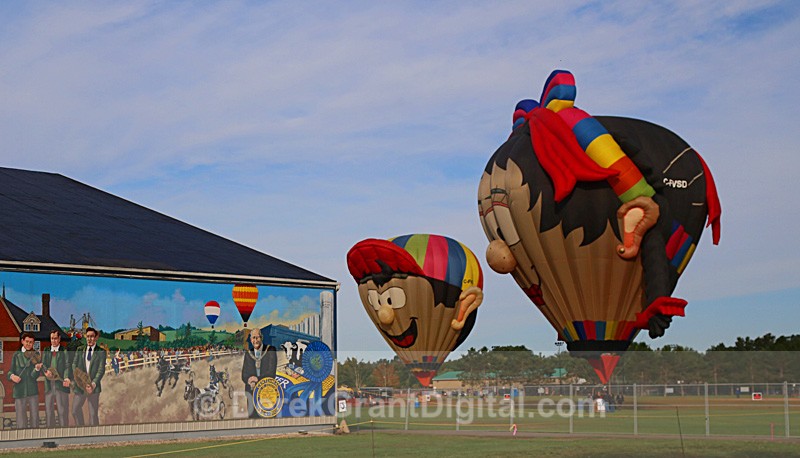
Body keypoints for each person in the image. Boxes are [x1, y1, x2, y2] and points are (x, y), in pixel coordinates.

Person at [71, 327, 106, 426]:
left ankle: (95, 434)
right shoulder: (80, 350)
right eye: (88, 336)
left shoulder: (101, 352)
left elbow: (101, 370)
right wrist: (80, 378)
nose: (89, 339)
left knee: (93, 415)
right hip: (81, 386)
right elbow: (74, 365)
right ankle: (81, 430)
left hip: (93, 388)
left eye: (92, 336)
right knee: (75, 410)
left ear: (96, 338)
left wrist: (93, 384)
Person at [8, 332, 42, 429]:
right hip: (19, 391)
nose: (28, 344)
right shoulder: (16, 355)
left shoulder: (36, 354)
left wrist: (36, 369)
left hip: (32, 391)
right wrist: (12, 376)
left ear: (33, 343)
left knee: (35, 418)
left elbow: (34, 376)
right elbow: (9, 372)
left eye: (31, 342)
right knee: (21, 420)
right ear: (22, 341)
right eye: (27, 341)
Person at [241, 330, 277, 418]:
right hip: (251, 392)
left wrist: (257, 379)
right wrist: (249, 379)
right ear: (250, 340)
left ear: (261, 338)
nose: (255, 340)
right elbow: (244, 374)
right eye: (253, 338)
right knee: (253, 418)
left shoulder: (270, 350)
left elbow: (271, 372)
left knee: (267, 418)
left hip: (266, 391)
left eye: (257, 337)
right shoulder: (248, 353)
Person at [43, 329, 71, 427]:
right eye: (52, 338)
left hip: (60, 384)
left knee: (62, 411)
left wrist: (66, 377)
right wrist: (46, 372)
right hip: (49, 385)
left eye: (55, 338)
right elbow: (44, 365)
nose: (53, 341)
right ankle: (50, 432)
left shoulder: (64, 351)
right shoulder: (46, 350)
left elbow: (67, 366)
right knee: (49, 411)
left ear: (59, 339)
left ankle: (64, 431)